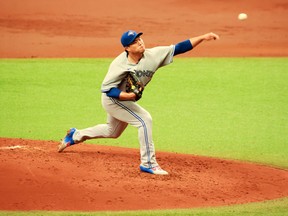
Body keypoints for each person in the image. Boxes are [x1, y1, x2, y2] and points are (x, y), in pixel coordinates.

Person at [58, 30, 219, 175]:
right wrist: (127, 96)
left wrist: (203, 37)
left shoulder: (153, 55)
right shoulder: (119, 64)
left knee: (112, 131)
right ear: (127, 48)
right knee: (144, 120)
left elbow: (179, 47)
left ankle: (75, 135)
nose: (140, 42)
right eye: (135, 41)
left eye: (140, 39)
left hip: (122, 100)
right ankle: (148, 163)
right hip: (113, 100)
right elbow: (107, 89)